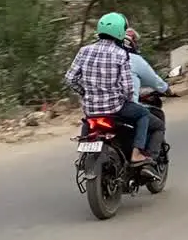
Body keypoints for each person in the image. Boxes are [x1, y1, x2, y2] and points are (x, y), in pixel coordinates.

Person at [65, 13, 157, 176]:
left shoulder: (84, 51)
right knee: (143, 115)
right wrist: (127, 99)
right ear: (121, 32)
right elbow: (128, 88)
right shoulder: (121, 54)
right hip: (115, 108)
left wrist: (85, 92)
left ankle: (83, 156)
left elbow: (70, 78)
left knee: (87, 119)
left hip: (91, 109)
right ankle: (136, 154)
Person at [122, 28, 172, 158]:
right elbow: (154, 80)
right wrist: (166, 89)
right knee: (154, 122)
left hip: (95, 107)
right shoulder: (134, 59)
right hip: (123, 106)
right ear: (133, 43)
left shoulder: (102, 58)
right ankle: (144, 157)